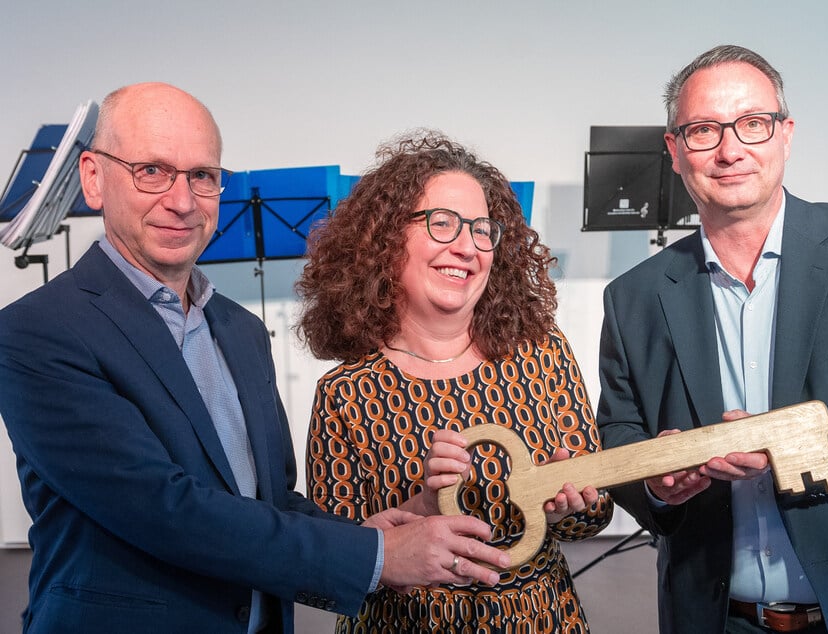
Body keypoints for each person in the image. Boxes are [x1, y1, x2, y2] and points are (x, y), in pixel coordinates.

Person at [0, 83, 511, 634]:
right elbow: (163, 510)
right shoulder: (37, 331)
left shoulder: (240, 330)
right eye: (152, 171)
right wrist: (378, 559)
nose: (181, 200)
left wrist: (370, 537)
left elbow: (267, 499)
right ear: (94, 178)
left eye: (202, 175)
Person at [596, 44, 828, 634]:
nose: (730, 150)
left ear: (785, 134)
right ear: (675, 151)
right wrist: (657, 483)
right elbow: (620, 432)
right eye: (704, 130)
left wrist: (778, 446)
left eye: (752, 125)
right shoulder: (633, 296)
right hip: (715, 617)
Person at [296, 132, 613, 633]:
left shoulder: (541, 351)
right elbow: (335, 562)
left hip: (540, 619)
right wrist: (420, 507)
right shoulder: (345, 393)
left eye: (482, 229)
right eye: (442, 224)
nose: (466, 247)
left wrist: (568, 503)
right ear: (384, 240)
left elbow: (595, 518)